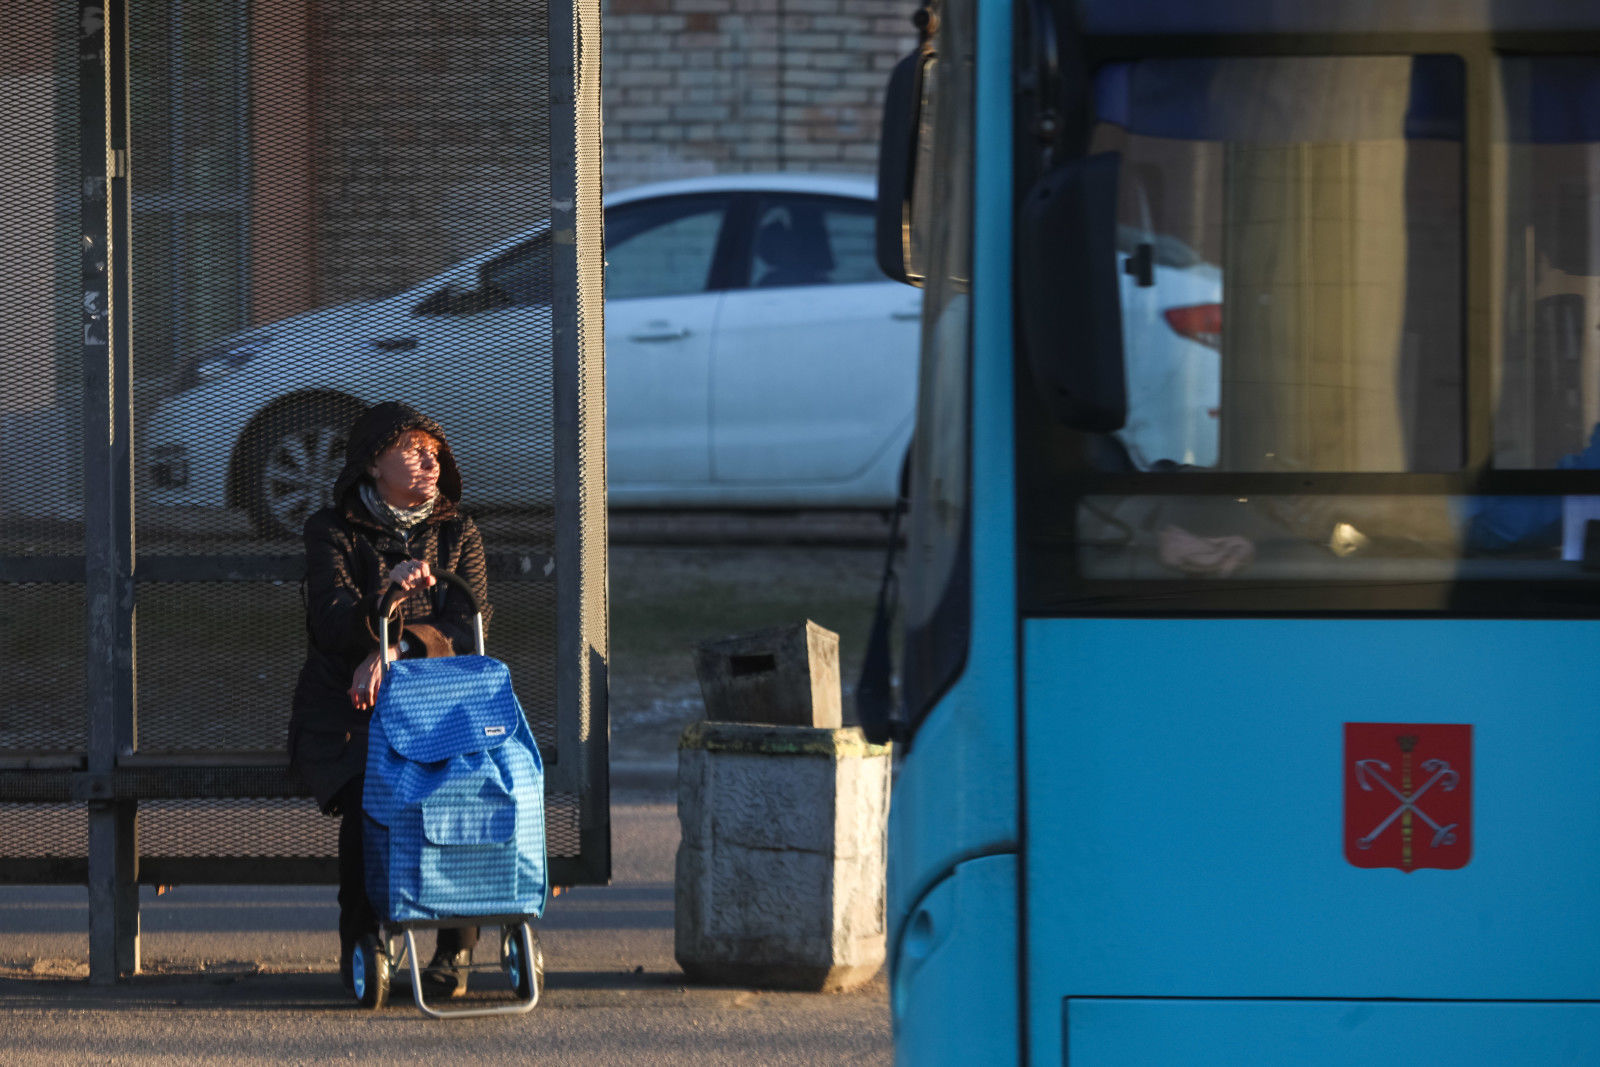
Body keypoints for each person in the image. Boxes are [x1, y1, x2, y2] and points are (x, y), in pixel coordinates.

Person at [288, 401, 493, 999]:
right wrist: (387, 592)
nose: (430, 460)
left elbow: (470, 623)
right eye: (411, 449)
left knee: (459, 793)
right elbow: (330, 622)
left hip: (438, 704)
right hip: (350, 709)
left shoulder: (458, 532)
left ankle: (456, 949)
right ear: (373, 464)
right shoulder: (331, 529)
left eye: (435, 450)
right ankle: (365, 937)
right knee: (369, 797)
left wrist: (392, 650)